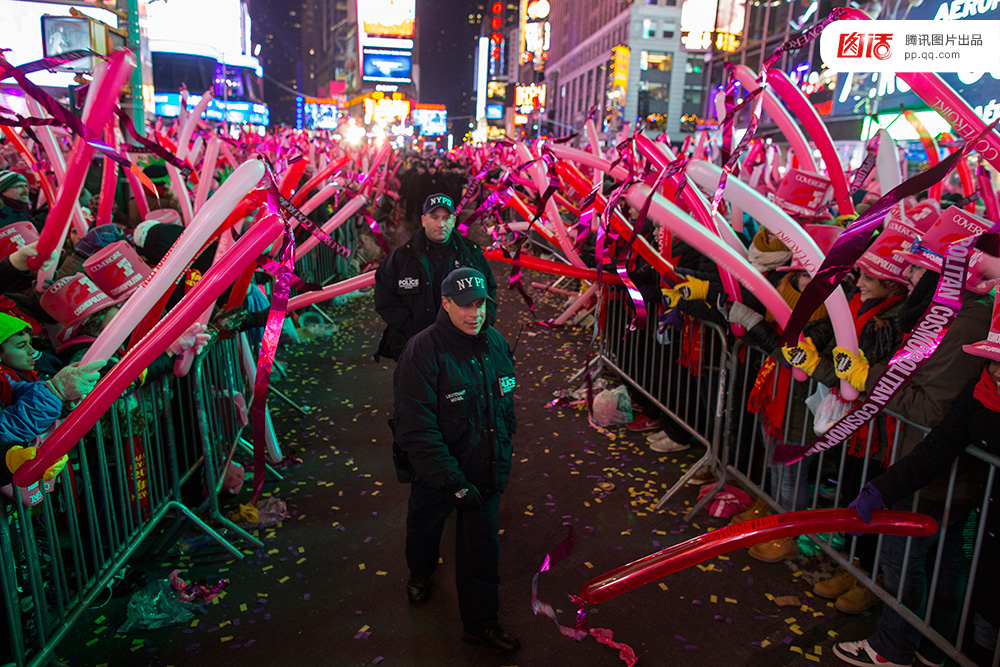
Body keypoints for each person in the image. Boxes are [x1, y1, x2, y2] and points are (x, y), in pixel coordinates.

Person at [834, 303, 1000, 667]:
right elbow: (938, 446)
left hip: (968, 506)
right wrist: (881, 488)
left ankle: (895, 647)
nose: (996, 373)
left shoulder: (962, 327)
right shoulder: (980, 389)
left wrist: (875, 378)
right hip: (975, 506)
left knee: (916, 568)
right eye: (992, 362)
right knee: (958, 581)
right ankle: (933, 647)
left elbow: (930, 408)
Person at [391, 267, 519, 654]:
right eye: (465, 306)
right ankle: (421, 572)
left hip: (485, 470)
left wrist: (504, 446)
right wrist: (452, 481)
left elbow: (505, 399)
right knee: (425, 529)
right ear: (445, 304)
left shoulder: (495, 342)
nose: (474, 314)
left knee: (481, 551)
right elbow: (416, 430)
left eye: (480, 304)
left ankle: (480, 625)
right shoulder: (421, 352)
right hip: (436, 476)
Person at [374, 192, 495, 361]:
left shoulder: (471, 254)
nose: (440, 224)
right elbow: (384, 298)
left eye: (446, 218)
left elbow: (489, 291)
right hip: (414, 348)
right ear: (424, 220)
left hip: (461, 348)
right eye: (435, 217)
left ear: (453, 221)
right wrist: (411, 328)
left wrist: (480, 325)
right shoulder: (401, 258)